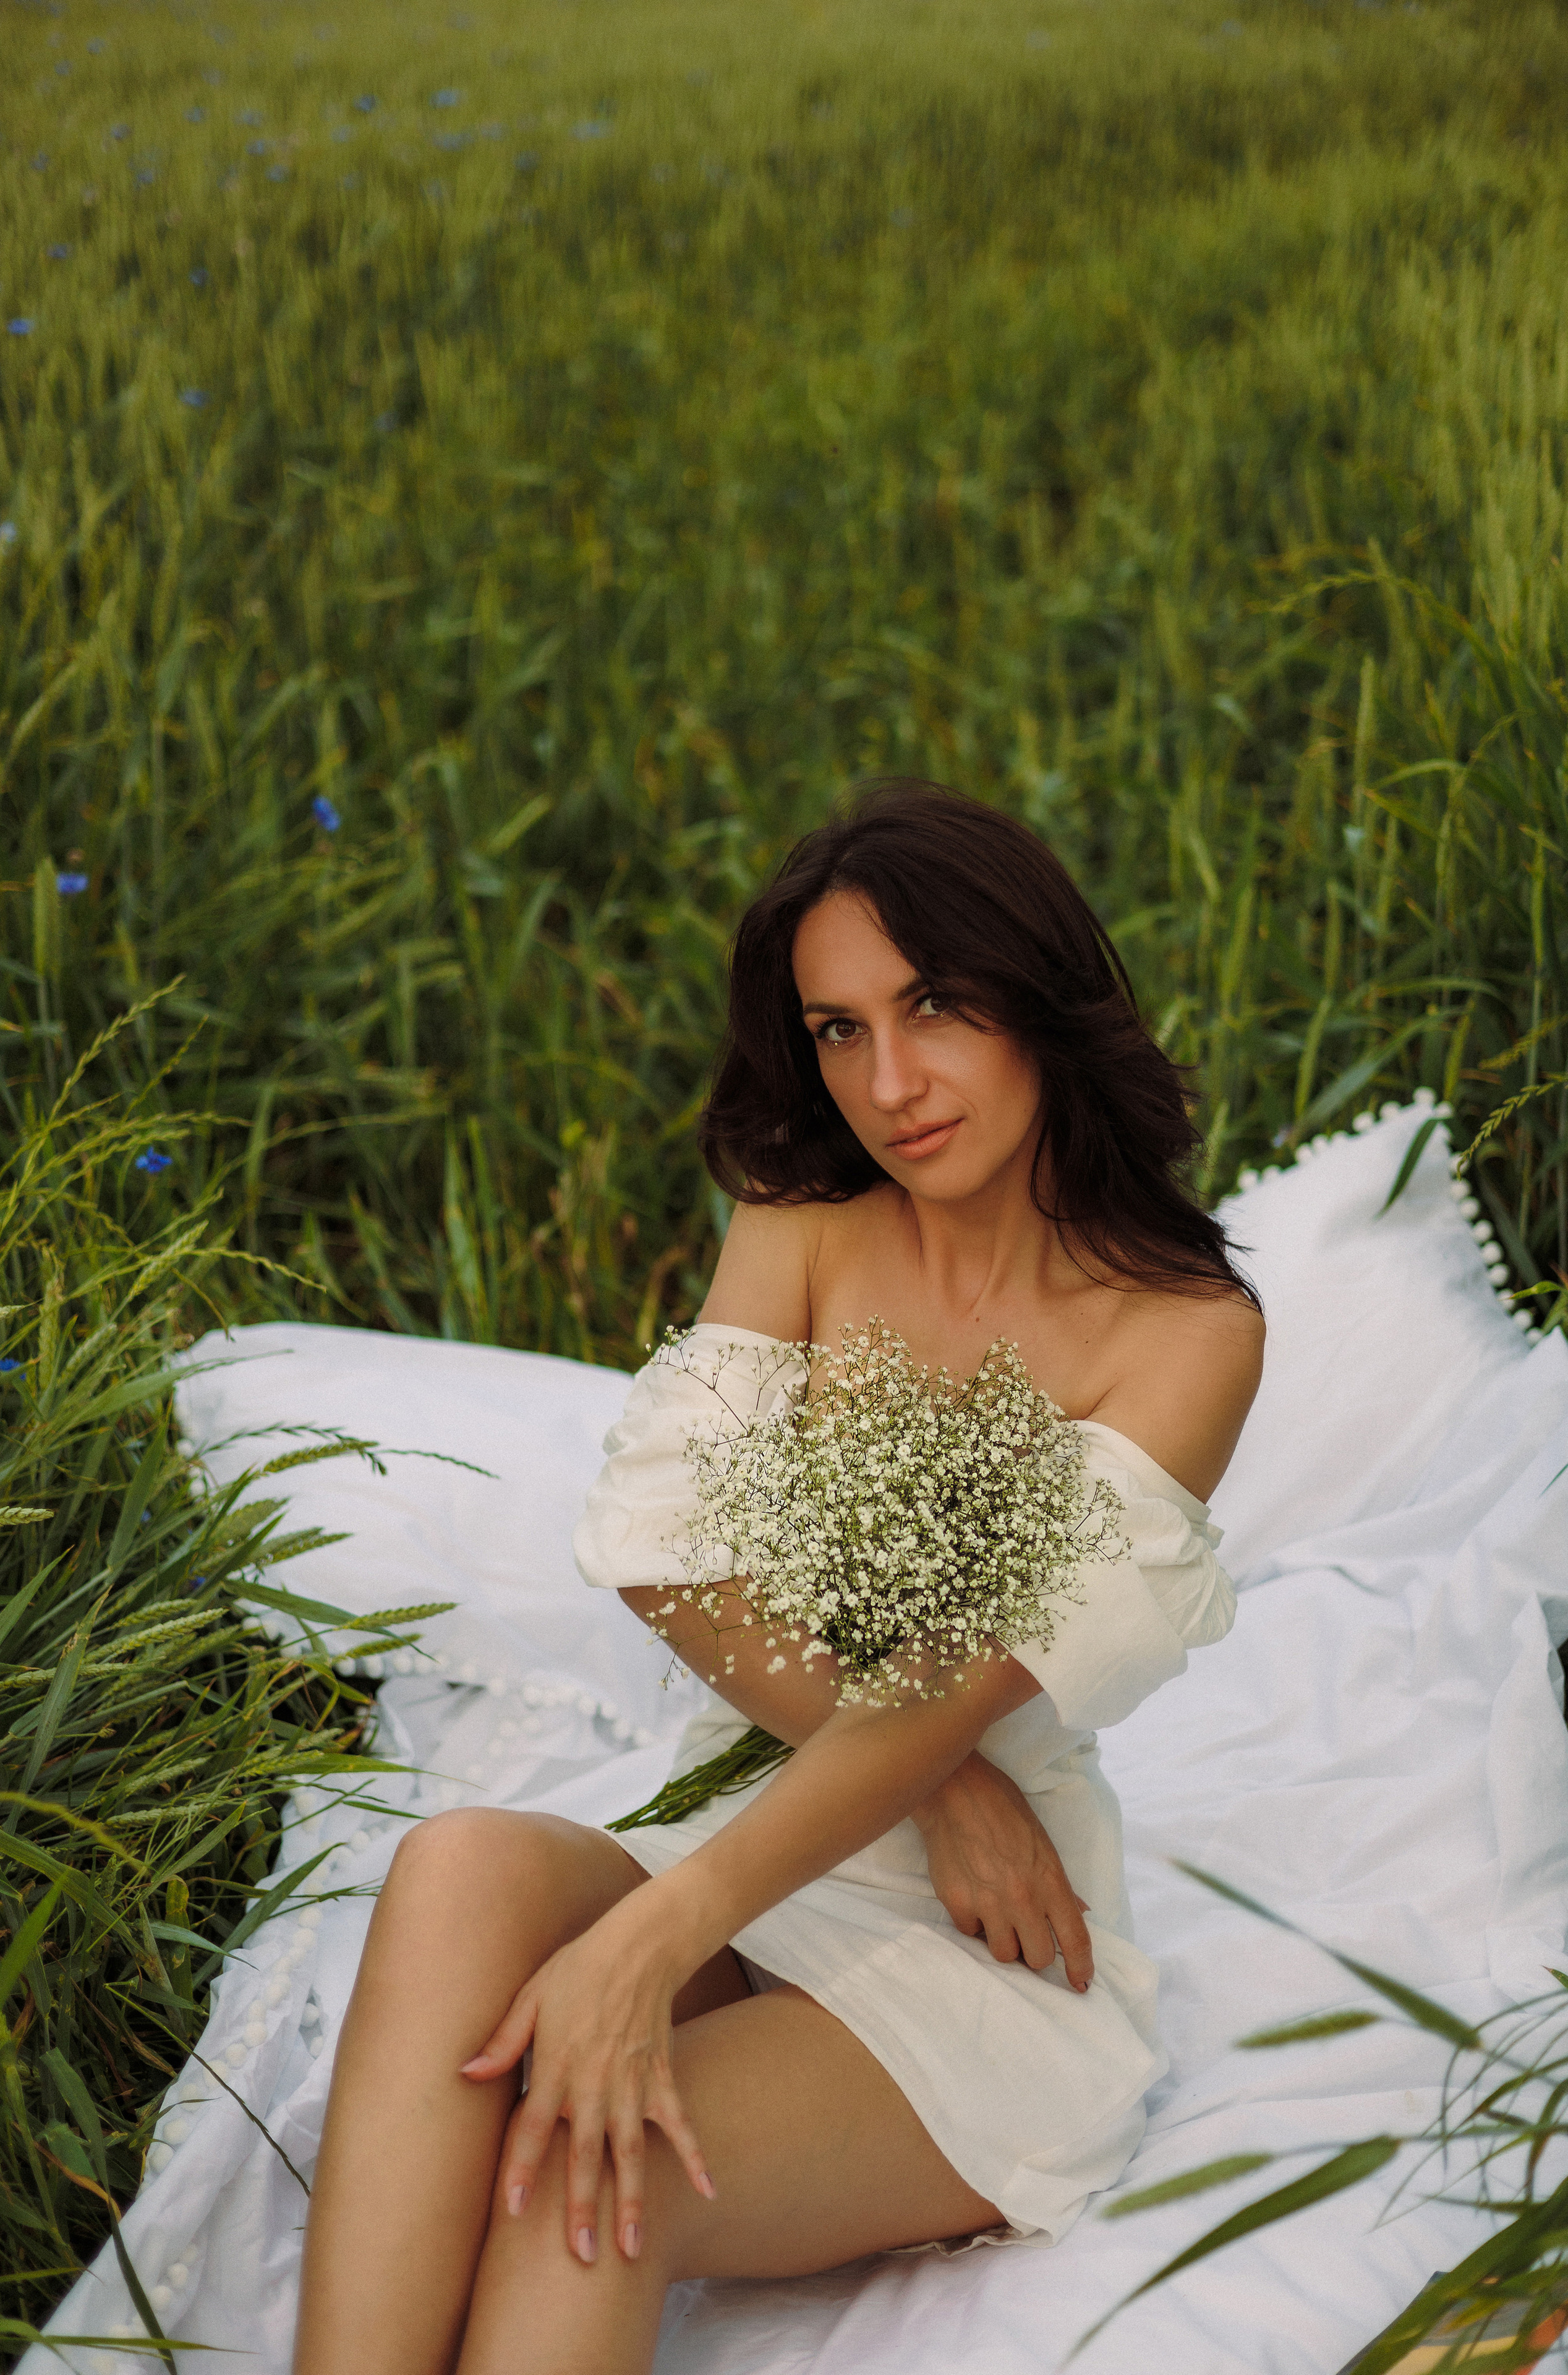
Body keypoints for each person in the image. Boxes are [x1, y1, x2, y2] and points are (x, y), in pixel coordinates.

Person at [292, 781, 1263, 2375]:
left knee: (588, 2166)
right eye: (836, 1029)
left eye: (934, 1005)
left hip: (986, 1947)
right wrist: (937, 1790)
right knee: (459, 1866)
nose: (889, 1082)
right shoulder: (810, 1217)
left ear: (1040, 996)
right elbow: (660, 1554)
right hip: (789, 1821)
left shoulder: (1185, 1335)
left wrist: (655, 1937)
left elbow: (969, 1685)